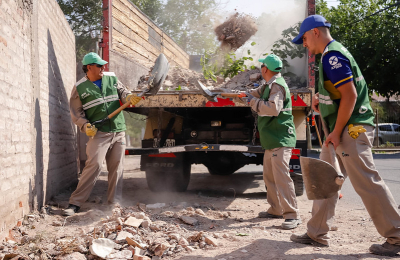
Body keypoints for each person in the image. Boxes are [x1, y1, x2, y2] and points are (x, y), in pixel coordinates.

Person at [290, 15, 400, 256]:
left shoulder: (332, 56)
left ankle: (396, 236)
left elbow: (350, 95)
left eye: (305, 38)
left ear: (316, 32)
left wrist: (337, 132)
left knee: (367, 182)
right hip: (341, 129)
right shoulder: (334, 54)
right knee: (323, 179)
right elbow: (340, 94)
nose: (304, 44)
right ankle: (316, 232)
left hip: (350, 130)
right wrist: (323, 102)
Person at [63, 52, 141, 216]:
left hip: (118, 130)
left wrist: (129, 97)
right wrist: (85, 126)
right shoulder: (79, 88)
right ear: (89, 67)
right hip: (99, 133)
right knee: (95, 165)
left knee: (117, 168)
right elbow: (76, 113)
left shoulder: (111, 77)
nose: (103, 68)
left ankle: (114, 204)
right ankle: (74, 203)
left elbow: (123, 92)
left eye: (103, 65)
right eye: (99, 65)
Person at [242, 54, 301, 230]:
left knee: (282, 178)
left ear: (265, 69)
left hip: (280, 138)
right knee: (269, 178)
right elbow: (255, 94)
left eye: (262, 67)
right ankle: (275, 209)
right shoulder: (269, 84)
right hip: (272, 139)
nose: (260, 69)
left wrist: (253, 102)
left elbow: (273, 108)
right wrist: (245, 95)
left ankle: (292, 215)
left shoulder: (277, 86)